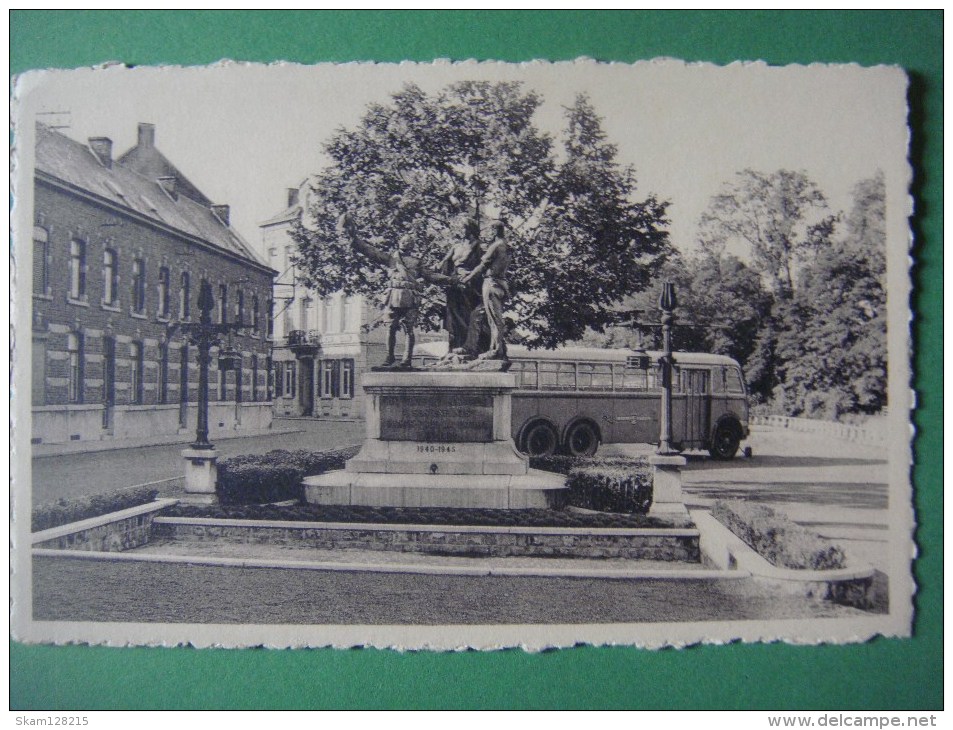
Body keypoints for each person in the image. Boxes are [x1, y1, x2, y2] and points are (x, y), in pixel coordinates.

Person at [338, 214, 450, 368]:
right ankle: (389, 358)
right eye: (403, 241)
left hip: (410, 297)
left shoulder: (417, 262)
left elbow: (432, 276)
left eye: (408, 242)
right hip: (392, 297)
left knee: (409, 329)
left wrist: (451, 280)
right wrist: (354, 238)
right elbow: (370, 251)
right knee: (390, 328)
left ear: (412, 246)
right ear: (399, 243)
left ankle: (406, 360)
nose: (405, 243)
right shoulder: (391, 259)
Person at [461, 221, 511, 360]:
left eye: (490, 230)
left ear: (495, 230)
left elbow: (482, 266)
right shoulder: (507, 246)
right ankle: (470, 347)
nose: (488, 233)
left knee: (494, 319)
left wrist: (467, 278)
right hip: (501, 284)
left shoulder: (495, 246)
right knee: (476, 315)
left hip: (491, 284)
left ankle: (495, 350)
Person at [438, 218, 487, 353]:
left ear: (470, 229)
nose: (460, 231)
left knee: (466, 315)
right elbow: (444, 263)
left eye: (462, 228)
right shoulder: (456, 246)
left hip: (470, 284)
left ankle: (468, 347)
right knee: (453, 316)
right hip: (454, 284)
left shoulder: (478, 246)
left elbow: (484, 265)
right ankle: (455, 346)